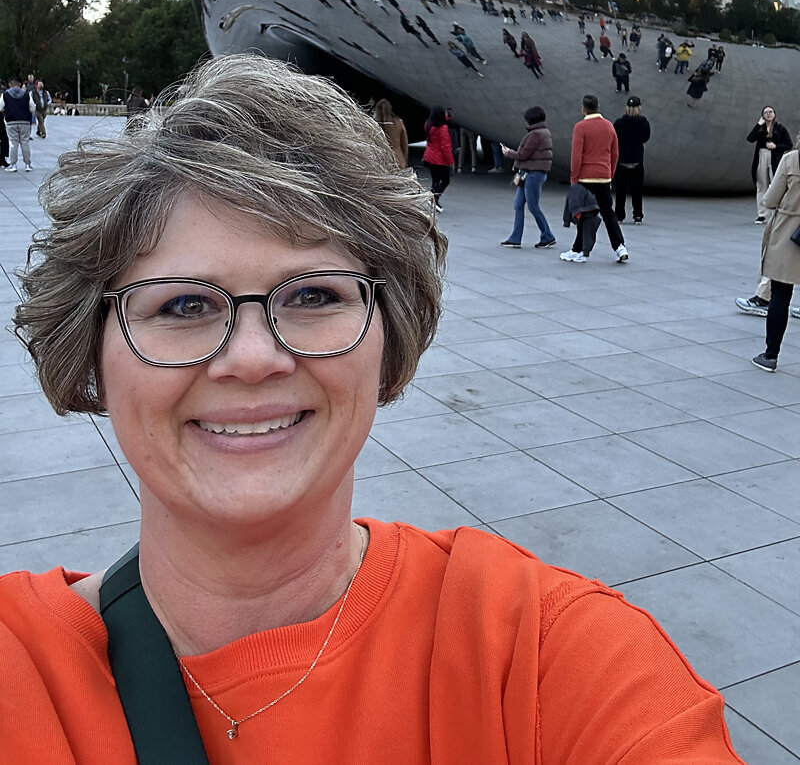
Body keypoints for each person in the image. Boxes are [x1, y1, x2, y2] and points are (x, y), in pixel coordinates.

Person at [3, 54, 746, 762]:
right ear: (91, 348)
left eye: (315, 294)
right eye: (185, 303)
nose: (256, 356)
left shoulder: (545, 652)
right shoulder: (19, 671)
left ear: (390, 331)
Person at [751, 140, 800, 371]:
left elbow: (769, 199)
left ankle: (770, 355)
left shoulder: (791, 159)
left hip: (789, 231)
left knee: (780, 294)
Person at [561, 94, 628, 263]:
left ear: (583, 108)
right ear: (598, 106)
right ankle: (619, 246)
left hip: (586, 176)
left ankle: (580, 251)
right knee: (608, 213)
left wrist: (574, 178)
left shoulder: (580, 127)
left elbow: (576, 155)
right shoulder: (609, 126)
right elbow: (615, 153)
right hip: (603, 176)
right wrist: (610, 174)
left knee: (584, 213)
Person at [499, 105, 556, 249]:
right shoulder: (543, 132)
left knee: (533, 206)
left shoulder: (535, 135)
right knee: (518, 204)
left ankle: (547, 235)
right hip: (530, 173)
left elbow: (523, 154)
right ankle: (515, 237)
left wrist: (508, 153)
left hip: (532, 174)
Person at [747, 106, 792, 224]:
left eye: (770, 112)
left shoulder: (780, 128)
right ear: (762, 115)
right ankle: (762, 214)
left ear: (774, 114)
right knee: (762, 186)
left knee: (774, 185)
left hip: (774, 157)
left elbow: (789, 145)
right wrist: (758, 124)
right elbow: (750, 138)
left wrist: (776, 146)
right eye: (766, 112)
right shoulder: (760, 129)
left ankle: (775, 214)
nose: (768, 114)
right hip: (761, 156)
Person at [614, 97, 651, 224]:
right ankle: (638, 215)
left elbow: (614, 138)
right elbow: (645, 138)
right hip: (636, 160)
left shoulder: (619, 123)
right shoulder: (644, 123)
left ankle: (619, 215)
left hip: (622, 160)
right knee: (637, 191)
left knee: (620, 191)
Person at [422, 104, 454, 212]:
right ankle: (434, 199)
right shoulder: (443, 128)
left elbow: (440, 119)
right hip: (439, 159)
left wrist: (448, 117)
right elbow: (445, 147)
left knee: (435, 180)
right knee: (445, 180)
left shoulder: (428, 124)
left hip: (429, 156)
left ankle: (433, 200)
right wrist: (450, 161)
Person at [0, 76, 36, 172]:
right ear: (19, 84)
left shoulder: (5, 95)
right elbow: (32, 108)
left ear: (9, 84)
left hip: (11, 121)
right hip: (24, 121)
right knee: (25, 143)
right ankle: (28, 164)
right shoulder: (26, 95)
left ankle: (13, 164)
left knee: (13, 143)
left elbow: (0, 107)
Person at [561, 184, 601, 262]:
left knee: (584, 221)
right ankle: (578, 250)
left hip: (583, 185)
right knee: (585, 223)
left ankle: (578, 250)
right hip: (597, 183)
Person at [372, 98, 408, 168]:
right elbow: (404, 144)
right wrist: (404, 160)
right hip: (398, 159)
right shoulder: (399, 123)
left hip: (380, 160)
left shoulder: (374, 125)